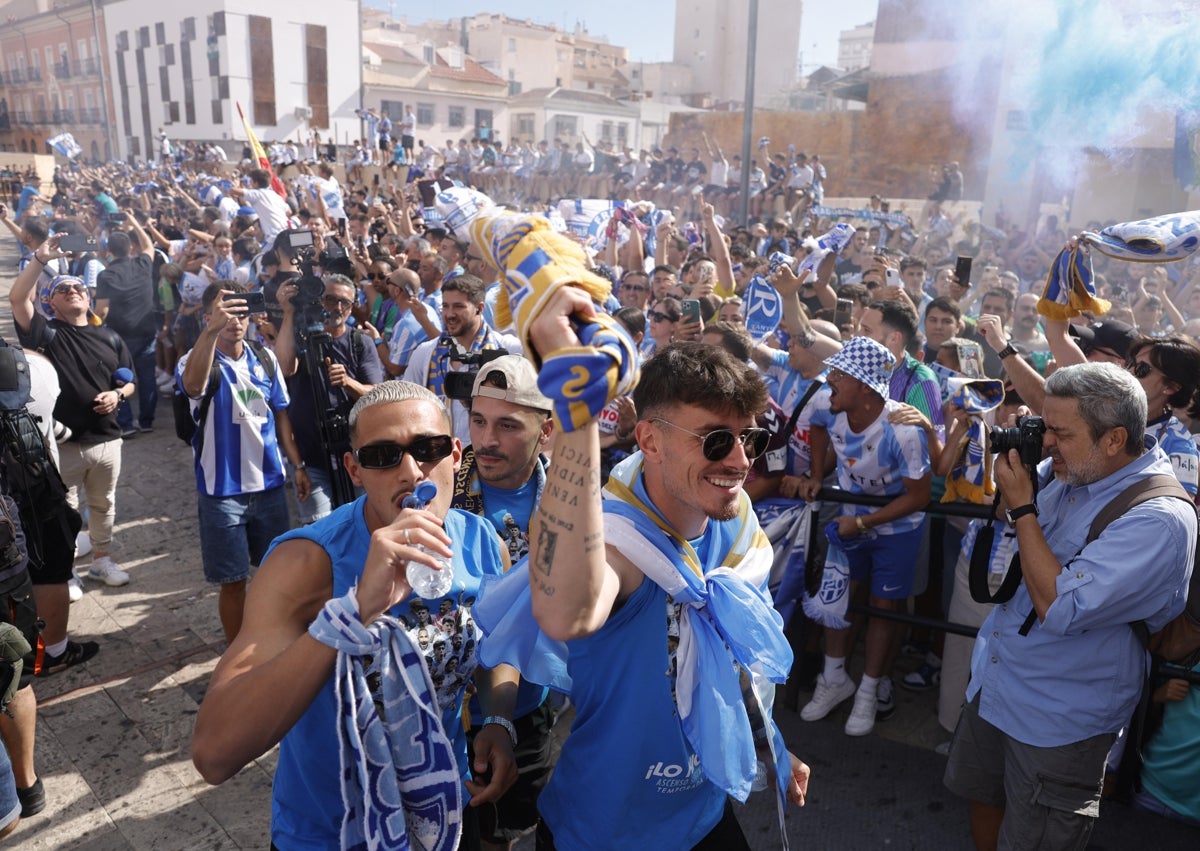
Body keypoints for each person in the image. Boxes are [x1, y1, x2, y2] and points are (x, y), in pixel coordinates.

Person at [511, 302, 811, 848]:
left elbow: (735, 658)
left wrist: (769, 742)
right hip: (604, 830)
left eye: (751, 438)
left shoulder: (736, 522)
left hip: (704, 810)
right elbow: (564, 610)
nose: (741, 461)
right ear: (649, 441)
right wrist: (578, 420)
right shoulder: (616, 543)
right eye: (716, 440)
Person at [192, 380, 518, 850]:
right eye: (383, 456)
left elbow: (495, 642)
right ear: (355, 470)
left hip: (442, 815)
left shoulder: (484, 542)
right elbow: (214, 754)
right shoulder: (306, 563)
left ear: (455, 454)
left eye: (428, 448)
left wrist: (498, 720)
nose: (411, 473)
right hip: (332, 832)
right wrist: (354, 611)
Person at [943, 363, 1197, 850]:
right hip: (998, 681)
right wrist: (1016, 477)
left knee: (1037, 838)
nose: (1048, 443)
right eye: (1045, 427)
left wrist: (1022, 506)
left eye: (1060, 432)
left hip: (1059, 717)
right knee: (984, 799)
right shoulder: (1075, 467)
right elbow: (1004, 515)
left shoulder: (1158, 518)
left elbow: (1058, 607)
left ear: (1114, 438)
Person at [797, 336, 932, 737]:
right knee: (839, 596)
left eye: (839, 374)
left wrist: (862, 524)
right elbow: (818, 428)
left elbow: (920, 496)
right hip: (852, 517)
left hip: (897, 528)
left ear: (866, 386)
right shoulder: (828, 402)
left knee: (882, 603)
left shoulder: (903, 430)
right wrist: (818, 474)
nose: (830, 380)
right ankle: (834, 679)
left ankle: (869, 692)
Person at [455, 356, 556, 850]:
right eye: (478, 420)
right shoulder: (440, 492)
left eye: (507, 425)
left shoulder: (575, 500)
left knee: (510, 826)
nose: (487, 440)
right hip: (450, 703)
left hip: (532, 705)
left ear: (547, 430)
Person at [177, 283, 306, 642]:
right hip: (222, 494)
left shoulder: (264, 359)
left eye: (241, 313)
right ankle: (237, 654)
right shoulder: (195, 358)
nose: (235, 321)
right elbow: (191, 387)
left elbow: (281, 417)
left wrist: (297, 466)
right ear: (209, 316)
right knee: (232, 582)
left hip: (269, 489)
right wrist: (210, 331)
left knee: (275, 575)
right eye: (225, 312)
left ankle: (275, 640)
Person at [10, 241, 133, 588]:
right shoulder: (46, 333)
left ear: (88, 297)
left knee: (104, 504)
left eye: (78, 287)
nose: (73, 291)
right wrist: (40, 259)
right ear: (51, 302)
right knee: (64, 510)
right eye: (62, 289)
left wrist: (118, 393)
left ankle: (101, 560)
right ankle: (68, 572)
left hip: (107, 439)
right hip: (60, 444)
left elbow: (130, 381)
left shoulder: (110, 336)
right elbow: (18, 299)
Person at [274, 274, 384, 523]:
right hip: (311, 458)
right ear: (317, 300)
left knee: (363, 525)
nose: (337, 307)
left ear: (352, 306)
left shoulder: (360, 342)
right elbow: (283, 368)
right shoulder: (300, 340)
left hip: (355, 457)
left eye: (344, 302)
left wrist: (348, 383)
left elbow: (377, 395)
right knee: (320, 532)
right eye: (330, 299)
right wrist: (289, 314)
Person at [94, 222, 159, 435]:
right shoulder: (142, 263)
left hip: (121, 336)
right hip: (147, 331)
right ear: (131, 247)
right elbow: (149, 245)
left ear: (109, 251)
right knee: (148, 378)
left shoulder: (106, 275)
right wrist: (136, 223)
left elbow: (101, 311)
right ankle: (147, 422)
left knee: (121, 377)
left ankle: (126, 424)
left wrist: (93, 329)